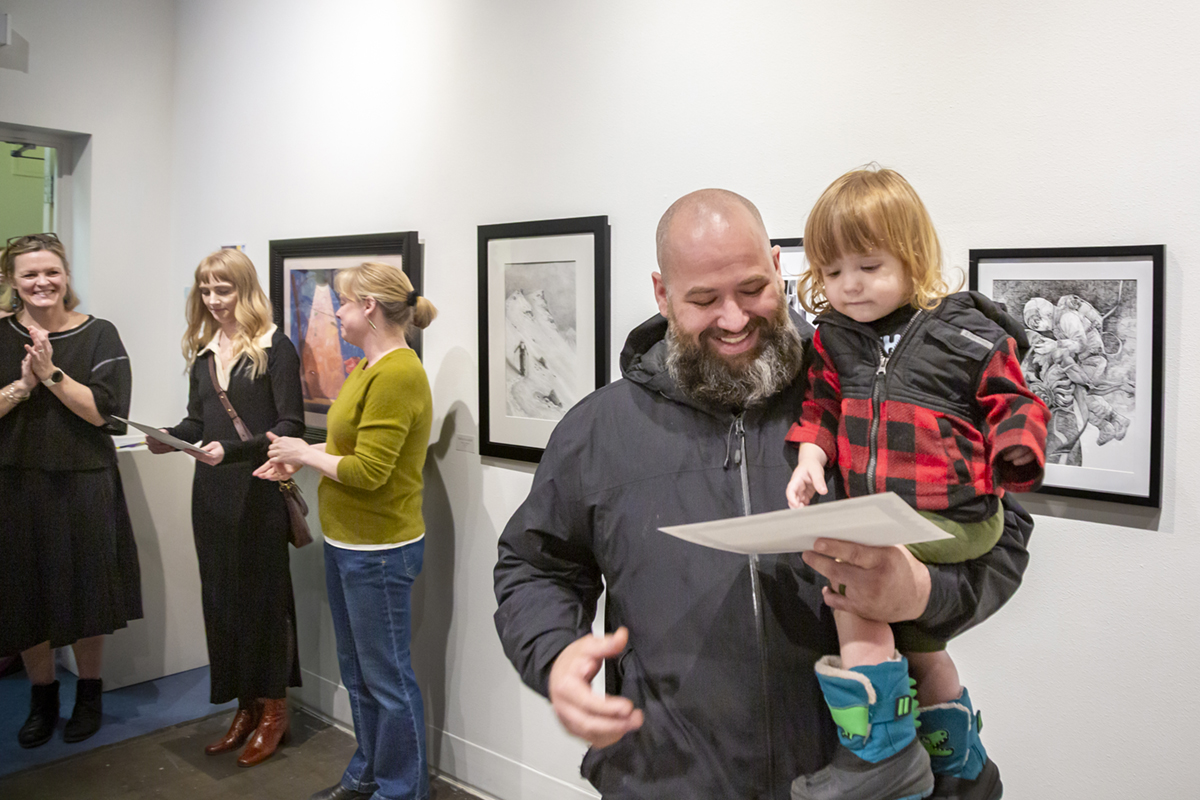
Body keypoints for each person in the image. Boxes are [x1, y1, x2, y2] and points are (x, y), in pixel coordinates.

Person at [493, 189, 1035, 800]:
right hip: (668, 780)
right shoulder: (598, 431)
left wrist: (923, 594)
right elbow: (535, 566)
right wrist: (555, 655)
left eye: (752, 289)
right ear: (662, 295)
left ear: (779, 268)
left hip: (862, 782)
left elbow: (999, 533)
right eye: (703, 299)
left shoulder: (873, 393)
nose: (733, 318)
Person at [785, 167, 1049, 800]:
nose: (848, 286)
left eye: (867, 267)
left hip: (955, 514)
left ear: (913, 258)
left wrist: (1015, 449)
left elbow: (1015, 399)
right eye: (832, 270)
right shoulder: (837, 341)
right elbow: (821, 406)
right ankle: (954, 758)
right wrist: (810, 456)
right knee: (921, 647)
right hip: (890, 511)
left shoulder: (965, 332)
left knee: (852, 589)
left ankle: (880, 756)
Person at [255, 261, 438, 800]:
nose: (335, 311)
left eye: (343, 301)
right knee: (359, 675)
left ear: (369, 308)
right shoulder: (364, 368)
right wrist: (302, 456)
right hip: (350, 543)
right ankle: (369, 773)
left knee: (386, 680)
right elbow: (347, 452)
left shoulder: (399, 374)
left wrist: (303, 453)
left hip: (379, 548)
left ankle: (401, 790)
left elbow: (369, 472)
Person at [145, 248, 305, 767]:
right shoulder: (204, 351)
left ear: (245, 289)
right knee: (221, 602)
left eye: (224, 289)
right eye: (206, 290)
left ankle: (274, 711)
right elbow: (199, 422)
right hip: (210, 495)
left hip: (257, 491)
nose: (214, 300)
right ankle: (244, 706)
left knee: (264, 602)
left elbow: (290, 426)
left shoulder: (274, 347)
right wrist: (171, 437)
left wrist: (230, 451)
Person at [0, 232, 140, 747]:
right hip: (14, 484)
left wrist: (51, 373)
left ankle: (89, 693)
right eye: (30, 274)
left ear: (66, 277)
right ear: (12, 282)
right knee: (24, 595)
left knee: (87, 592)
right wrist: (21, 387)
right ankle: (42, 698)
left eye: (51, 272)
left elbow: (107, 412)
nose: (42, 282)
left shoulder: (100, 334)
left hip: (84, 483)